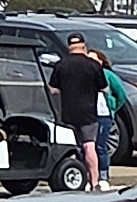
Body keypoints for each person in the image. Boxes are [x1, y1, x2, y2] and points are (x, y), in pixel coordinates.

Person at [47, 32, 107, 189]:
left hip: (68, 113)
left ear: (69, 47)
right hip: (89, 113)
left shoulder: (61, 65)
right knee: (89, 146)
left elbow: (52, 89)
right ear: (84, 46)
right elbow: (104, 87)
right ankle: (94, 181)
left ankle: (75, 178)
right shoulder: (94, 65)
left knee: (70, 146)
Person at [88, 49, 129, 191]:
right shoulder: (85, 74)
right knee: (88, 147)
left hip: (103, 115)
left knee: (101, 146)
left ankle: (103, 176)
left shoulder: (108, 75)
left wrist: (112, 108)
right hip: (87, 114)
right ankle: (90, 175)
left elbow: (121, 94)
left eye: (94, 59)